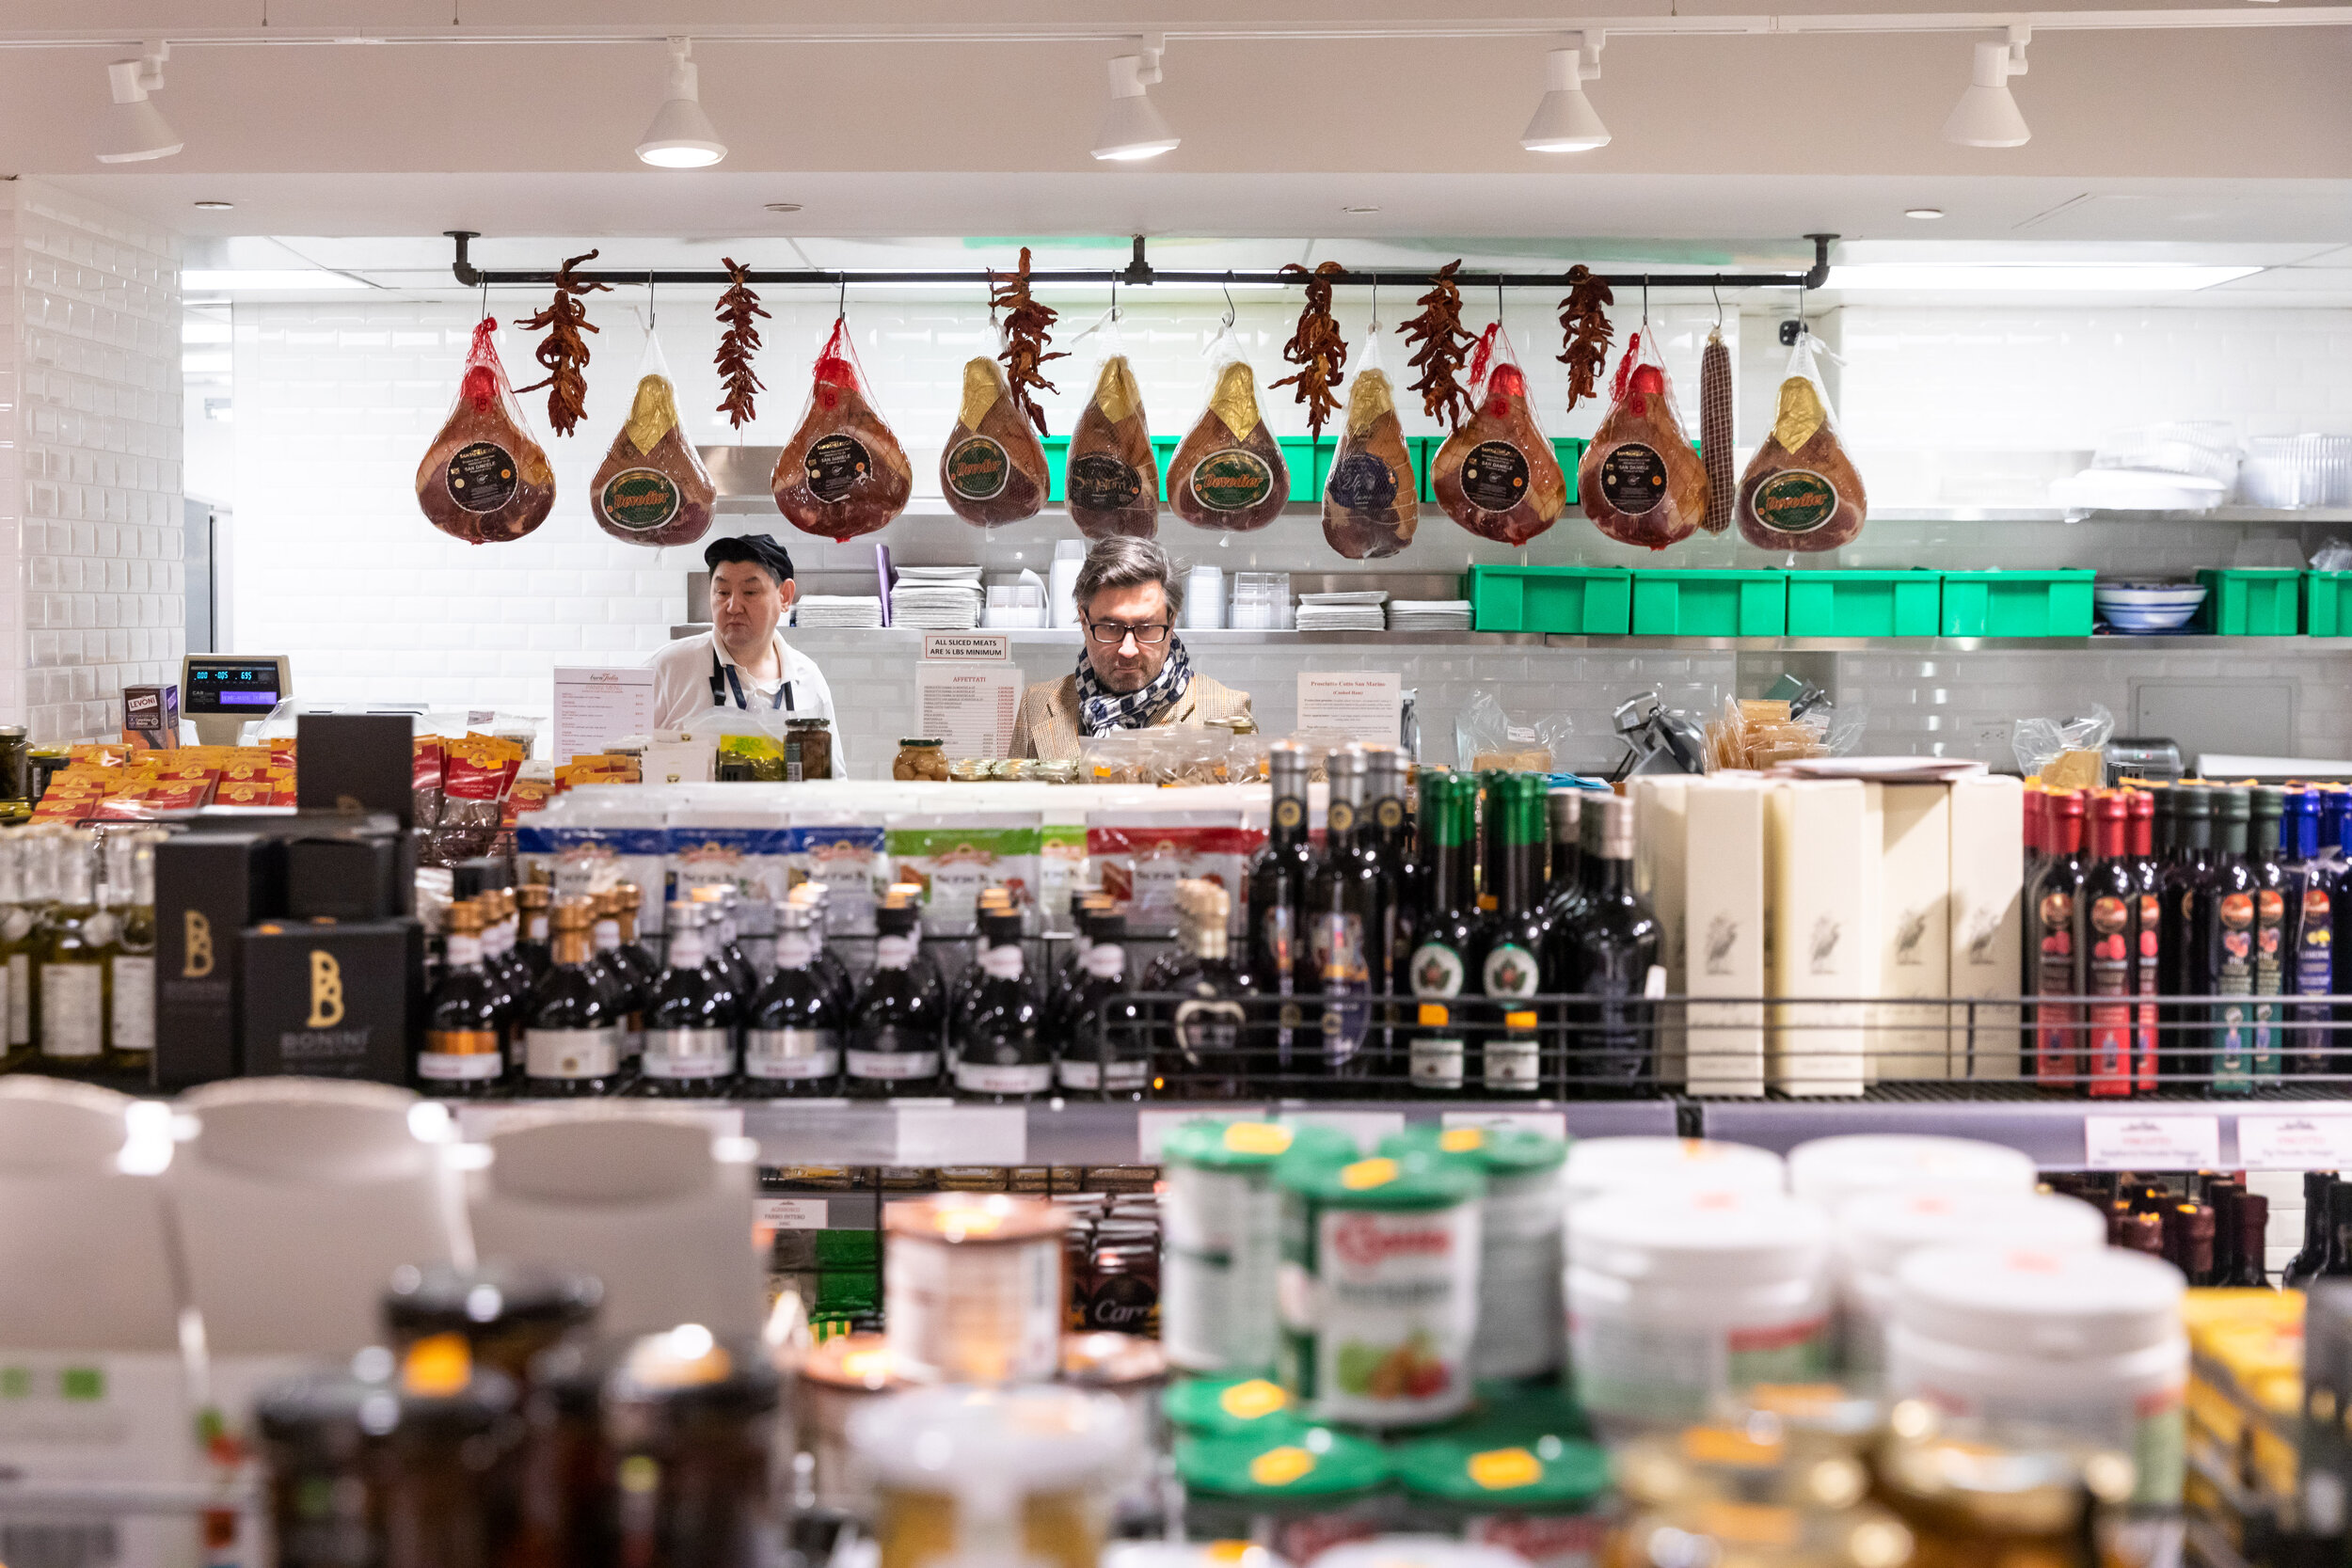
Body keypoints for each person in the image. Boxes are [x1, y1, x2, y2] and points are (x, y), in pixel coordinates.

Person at [1009, 536, 1251, 761]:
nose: (1128, 650)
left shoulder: (1226, 709)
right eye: (1111, 627)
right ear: (1084, 619)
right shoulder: (1037, 705)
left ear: (1171, 620)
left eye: (1146, 628)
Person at [646, 532, 847, 774]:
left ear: (784, 596)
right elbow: (620, 767)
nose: (733, 606)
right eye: (722, 592)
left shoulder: (808, 679)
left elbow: (833, 782)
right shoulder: (665, 669)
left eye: (750, 592)